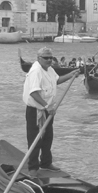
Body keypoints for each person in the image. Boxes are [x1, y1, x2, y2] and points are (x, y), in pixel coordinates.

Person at [22, 47, 79, 176]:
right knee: (35, 139)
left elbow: (56, 80)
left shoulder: (50, 69)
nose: (49, 60)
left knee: (48, 137)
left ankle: (46, 163)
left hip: (49, 108)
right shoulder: (36, 71)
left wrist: (70, 75)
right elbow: (34, 93)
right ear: (38, 58)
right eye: (46, 58)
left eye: (50, 57)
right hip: (37, 110)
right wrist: (46, 106)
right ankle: (33, 168)